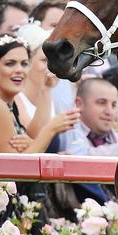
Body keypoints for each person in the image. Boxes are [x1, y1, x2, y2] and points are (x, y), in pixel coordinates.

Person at [0, 33, 77, 153]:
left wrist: (46, 89)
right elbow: (17, 167)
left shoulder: (3, 101)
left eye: (24, 64)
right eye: (10, 63)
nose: (19, 70)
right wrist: (51, 129)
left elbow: (33, 139)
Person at [15, 22, 81, 153]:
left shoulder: (49, 93)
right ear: (27, 62)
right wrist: (54, 126)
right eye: (44, 61)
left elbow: (40, 147)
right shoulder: (16, 97)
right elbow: (31, 141)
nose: (52, 66)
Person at [57, 77, 118, 204]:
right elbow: (78, 158)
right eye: (101, 102)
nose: (109, 111)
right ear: (79, 104)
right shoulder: (65, 129)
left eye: (114, 104)